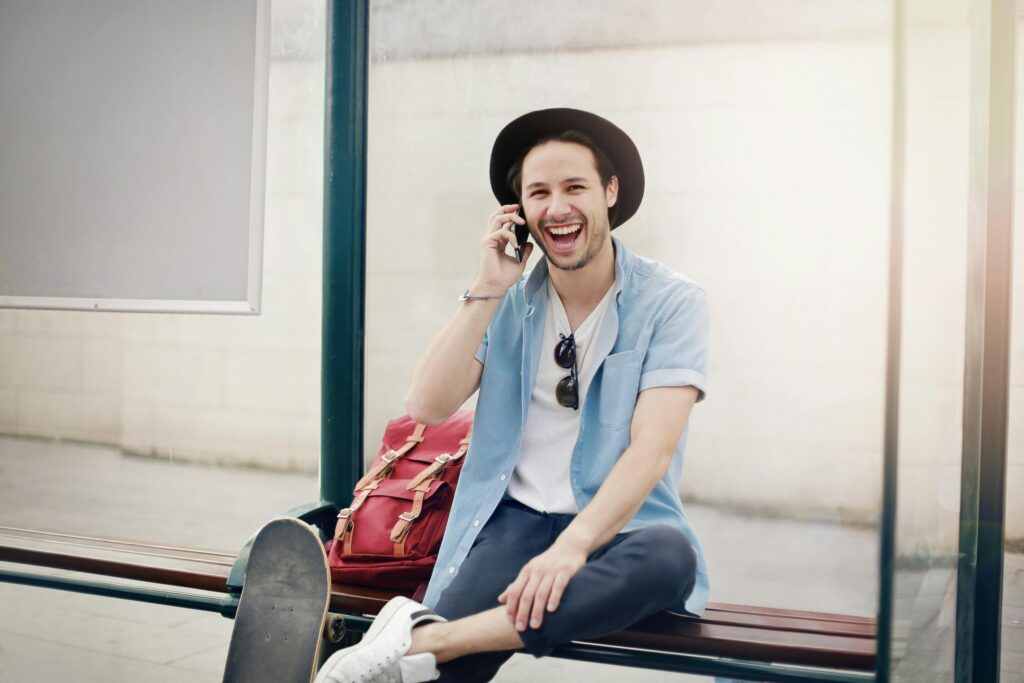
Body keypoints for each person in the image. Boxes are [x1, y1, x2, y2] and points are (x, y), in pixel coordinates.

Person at [315, 107, 711, 683]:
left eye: (575, 187)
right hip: (512, 522)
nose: (557, 207)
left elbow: (651, 451)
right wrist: (488, 286)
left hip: (614, 526)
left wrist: (572, 548)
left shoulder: (671, 302)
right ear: (520, 211)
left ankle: (433, 636)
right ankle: (441, 648)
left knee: (672, 560)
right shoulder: (507, 300)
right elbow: (426, 405)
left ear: (610, 191)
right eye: (539, 192)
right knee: (443, 679)